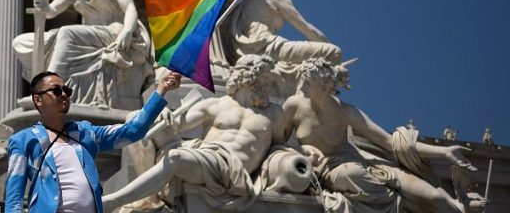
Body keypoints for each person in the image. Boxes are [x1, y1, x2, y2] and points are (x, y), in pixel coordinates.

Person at [281, 59, 485, 213]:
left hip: (365, 164)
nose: (301, 85)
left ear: (323, 87)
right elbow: (278, 141)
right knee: (352, 174)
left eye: (307, 82)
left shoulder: (347, 113)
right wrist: (301, 153)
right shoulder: (294, 105)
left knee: (432, 196)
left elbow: (391, 142)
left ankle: (460, 206)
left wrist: (444, 151)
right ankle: (400, 204)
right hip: (332, 170)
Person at [101, 55, 288, 212]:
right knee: (135, 118)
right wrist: (163, 113)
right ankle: (151, 200)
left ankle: (115, 201)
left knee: (175, 157)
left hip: (229, 169)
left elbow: (279, 148)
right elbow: (176, 126)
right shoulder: (217, 104)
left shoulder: (274, 113)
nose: (269, 83)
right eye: (266, 78)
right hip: (203, 153)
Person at [4, 69, 182, 213]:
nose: (64, 95)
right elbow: (14, 198)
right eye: (57, 90)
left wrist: (161, 90)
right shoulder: (23, 140)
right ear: (38, 99)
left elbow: (133, 131)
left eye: (67, 91)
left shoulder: (85, 133)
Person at [13, 0, 153, 110]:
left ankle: (50, 90)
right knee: (21, 42)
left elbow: (130, 8)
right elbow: (51, 12)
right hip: (91, 35)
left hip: (116, 32)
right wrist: (44, 5)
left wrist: (127, 32)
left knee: (67, 33)